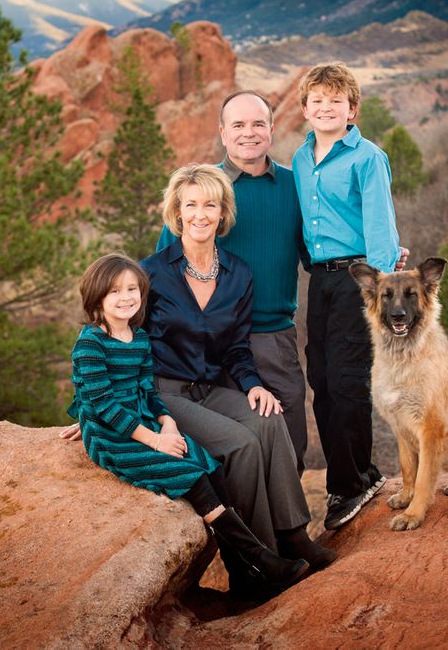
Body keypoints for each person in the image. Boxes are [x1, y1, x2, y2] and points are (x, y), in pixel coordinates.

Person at [64, 253, 308, 592]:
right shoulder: (91, 343)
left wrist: (168, 424)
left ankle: (252, 566)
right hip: (113, 437)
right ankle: (261, 561)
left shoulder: (139, 339)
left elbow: (148, 390)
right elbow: (102, 404)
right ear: (97, 299)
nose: (125, 298)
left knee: (210, 466)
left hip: (145, 422)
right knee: (192, 477)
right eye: (114, 292)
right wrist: (153, 440)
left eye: (132, 289)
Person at [141, 164, 335, 591]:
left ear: (223, 211)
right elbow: (122, 339)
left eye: (209, 204)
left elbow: (235, 349)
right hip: (163, 394)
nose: (200, 214)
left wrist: (254, 385)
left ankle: (293, 536)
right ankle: (256, 565)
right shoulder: (151, 273)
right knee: (242, 446)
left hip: (210, 389)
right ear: (176, 212)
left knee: (269, 420)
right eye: (190, 205)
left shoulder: (237, 274)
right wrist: (99, 406)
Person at [157, 91, 310, 474]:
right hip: (207, 344)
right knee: (230, 448)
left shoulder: (295, 187)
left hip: (272, 337)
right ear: (223, 133)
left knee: (289, 436)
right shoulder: (202, 191)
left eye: (258, 124)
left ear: (272, 130)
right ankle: (239, 531)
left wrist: (381, 253)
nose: (249, 133)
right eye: (238, 125)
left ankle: (288, 531)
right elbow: (160, 275)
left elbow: (319, 252)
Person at [292, 63, 402, 531]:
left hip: (359, 278)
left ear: (351, 109)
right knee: (320, 377)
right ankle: (350, 478)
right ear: (304, 109)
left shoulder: (367, 158)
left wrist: (379, 286)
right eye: (317, 101)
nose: (325, 108)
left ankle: (354, 482)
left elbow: (381, 226)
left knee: (346, 380)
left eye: (335, 101)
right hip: (319, 281)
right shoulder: (299, 160)